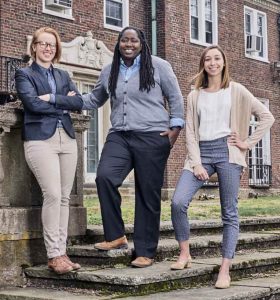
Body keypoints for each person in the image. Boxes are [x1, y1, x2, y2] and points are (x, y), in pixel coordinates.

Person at [170, 45, 274, 288]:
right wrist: (196, 163)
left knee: (229, 212)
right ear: (203, 64)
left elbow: (267, 116)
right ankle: (184, 253)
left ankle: (225, 269)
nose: (213, 63)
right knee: (178, 202)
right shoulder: (195, 94)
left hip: (228, 152)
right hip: (201, 152)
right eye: (208, 59)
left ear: (224, 62)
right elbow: (191, 132)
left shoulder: (236, 90)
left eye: (217, 58)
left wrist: (247, 143)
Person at [82, 26, 184, 268]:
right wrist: (65, 98)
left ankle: (145, 250)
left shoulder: (159, 66)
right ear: (118, 43)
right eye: (124, 40)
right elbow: (94, 99)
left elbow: (176, 97)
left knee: (147, 194)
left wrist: (175, 128)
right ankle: (116, 236)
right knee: (105, 177)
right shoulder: (109, 70)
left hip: (152, 135)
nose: (128, 44)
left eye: (133, 40)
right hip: (120, 135)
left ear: (142, 43)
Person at [15, 27, 83, 274]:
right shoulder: (24, 74)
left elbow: (78, 102)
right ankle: (53, 254)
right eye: (42, 44)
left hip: (67, 138)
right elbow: (31, 104)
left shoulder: (64, 74)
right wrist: (62, 102)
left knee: (64, 198)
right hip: (40, 140)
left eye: (52, 45)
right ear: (34, 46)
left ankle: (61, 252)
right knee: (53, 194)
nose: (47, 48)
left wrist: (51, 98)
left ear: (56, 49)